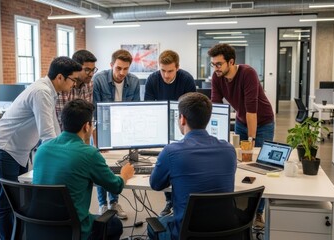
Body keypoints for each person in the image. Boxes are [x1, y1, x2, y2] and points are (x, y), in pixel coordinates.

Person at [0, 56, 83, 240]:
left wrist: (68, 149)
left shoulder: (48, 90)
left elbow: (54, 128)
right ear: (60, 77)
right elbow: (47, 135)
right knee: (6, 201)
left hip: (18, 151)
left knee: (21, 202)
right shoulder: (42, 92)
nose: (75, 84)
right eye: (74, 80)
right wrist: (64, 159)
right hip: (3, 149)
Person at [33, 99, 135, 240]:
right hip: (74, 229)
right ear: (87, 126)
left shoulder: (42, 149)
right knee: (115, 224)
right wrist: (124, 175)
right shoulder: (89, 154)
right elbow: (115, 186)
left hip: (40, 227)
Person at [149, 92, 237, 240]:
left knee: (155, 225)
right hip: (225, 230)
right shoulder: (229, 150)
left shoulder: (171, 151)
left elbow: (156, 184)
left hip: (186, 233)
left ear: (182, 119)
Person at [208, 43, 275, 228]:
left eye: (219, 64)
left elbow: (251, 110)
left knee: (259, 164)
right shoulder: (217, 77)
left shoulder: (248, 73)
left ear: (231, 61)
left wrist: (251, 140)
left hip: (262, 122)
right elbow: (216, 107)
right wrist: (214, 136)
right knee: (238, 162)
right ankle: (239, 206)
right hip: (240, 121)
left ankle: (259, 212)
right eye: (213, 64)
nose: (216, 68)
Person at [144, 49, 196, 217]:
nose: (166, 75)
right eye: (163, 70)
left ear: (177, 68)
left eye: (170, 71)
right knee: (166, 163)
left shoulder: (186, 79)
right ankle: (169, 201)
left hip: (182, 123)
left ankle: (180, 200)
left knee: (182, 162)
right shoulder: (152, 79)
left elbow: (192, 106)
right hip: (160, 123)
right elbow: (148, 107)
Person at [93, 49, 140, 219]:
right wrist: (99, 141)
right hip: (103, 127)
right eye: (118, 68)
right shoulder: (98, 79)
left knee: (118, 165)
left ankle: (114, 202)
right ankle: (102, 204)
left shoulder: (134, 81)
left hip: (123, 128)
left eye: (126, 69)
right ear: (111, 65)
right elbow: (95, 112)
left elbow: (134, 111)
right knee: (101, 165)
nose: (122, 73)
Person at [56, 50, 97, 131]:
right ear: (76, 68)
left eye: (93, 70)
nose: (91, 74)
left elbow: (88, 117)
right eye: (87, 70)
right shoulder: (63, 86)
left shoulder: (90, 85)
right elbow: (61, 122)